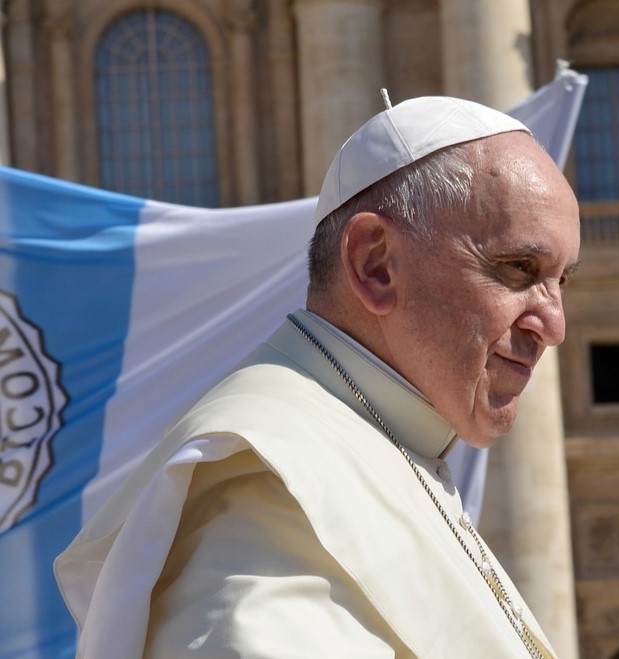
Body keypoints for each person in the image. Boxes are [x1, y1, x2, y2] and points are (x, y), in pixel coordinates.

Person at [55, 95, 581, 658]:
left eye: (561, 281)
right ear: (375, 264)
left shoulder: (393, 442)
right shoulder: (265, 489)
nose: (554, 325)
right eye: (519, 269)